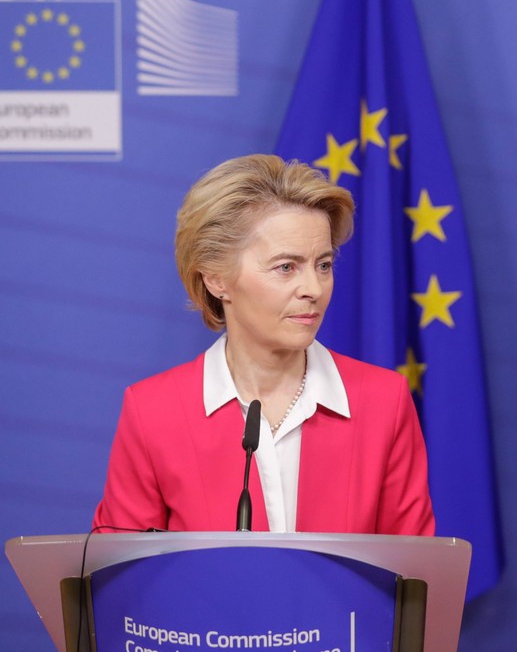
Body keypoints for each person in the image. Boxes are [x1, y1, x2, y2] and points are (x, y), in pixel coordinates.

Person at [93, 154, 435, 535]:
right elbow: (120, 578)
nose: (313, 289)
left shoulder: (383, 401)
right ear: (216, 279)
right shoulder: (153, 411)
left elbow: (415, 577)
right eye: (286, 267)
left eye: (323, 265)